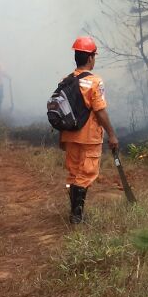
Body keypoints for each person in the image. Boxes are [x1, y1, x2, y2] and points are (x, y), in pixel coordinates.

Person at [59, 36, 120, 223]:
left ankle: (74, 212)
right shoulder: (95, 82)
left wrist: (62, 137)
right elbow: (100, 112)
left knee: (73, 174)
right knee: (85, 175)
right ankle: (76, 216)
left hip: (69, 135)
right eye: (94, 56)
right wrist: (112, 134)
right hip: (89, 137)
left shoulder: (66, 80)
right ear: (91, 57)